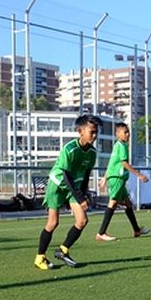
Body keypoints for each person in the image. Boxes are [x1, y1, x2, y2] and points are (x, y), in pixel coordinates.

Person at [34, 114, 101, 270]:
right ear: (80, 131)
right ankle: (40, 258)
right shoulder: (70, 149)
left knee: (82, 221)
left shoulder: (92, 153)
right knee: (53, 222)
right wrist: (80, 198)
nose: (95, 135)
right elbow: (65, 175)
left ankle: (62, 250)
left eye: (96, 131)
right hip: (58, 185)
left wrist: (84, 194)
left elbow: (85, 175)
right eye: (92, 131)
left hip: (74, 188)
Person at [95, 122, 150, 242]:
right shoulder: (121, 146)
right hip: (117, 179)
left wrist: (104, 178)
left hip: (118, 179)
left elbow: (111, 163)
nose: (128, 134)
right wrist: (139, 175)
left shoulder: (118, 145)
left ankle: (136, 229)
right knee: (113, 203)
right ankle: (101, 233)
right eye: (125, 132)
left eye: (128, 131)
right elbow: (124, 163)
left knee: (127, 203)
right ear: (117, 134)